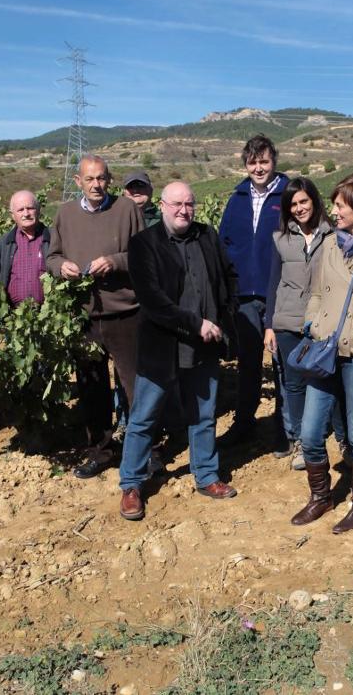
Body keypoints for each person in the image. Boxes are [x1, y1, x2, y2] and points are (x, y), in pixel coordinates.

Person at [118, 181, 240, 520]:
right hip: (163, 346)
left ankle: (207, 475)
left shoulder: (206, 235)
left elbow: (228, 277)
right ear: (162, 205)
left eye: (189, 203)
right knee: (144, 418)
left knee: (203, 415)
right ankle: (131, 483)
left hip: (205, 344)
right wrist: (195, 322)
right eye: (176, 204)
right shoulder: (145, 243)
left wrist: (223, 317)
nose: (184, 210)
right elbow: (153, 301)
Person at [290, 174, 353, 533]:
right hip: (323, 348)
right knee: (311, 433)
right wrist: (312, 323)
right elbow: (315, 292)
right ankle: (321, 497)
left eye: (340, 205)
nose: (333, 210)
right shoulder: (329, 244)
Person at [46, 155, 145, 478]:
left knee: (135, 387)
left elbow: (144, 255)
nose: (96, 185)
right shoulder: (65, 214)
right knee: (92, 390)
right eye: (89, 179)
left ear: (109, 179)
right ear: (78, 182)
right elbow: (52, 257)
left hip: (124, 313)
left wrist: (115, 261)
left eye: (101, 178)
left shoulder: (127, 210)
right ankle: (101, 452)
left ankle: (146, 451)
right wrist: (61, 267)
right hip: (84, 317)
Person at [217, 134, 289, 446]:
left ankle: (285, 430)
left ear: (274, 161)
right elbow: (224, 244)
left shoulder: (289, 195)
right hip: (245, 296)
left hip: (281, 294)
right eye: (252, 162)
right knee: (248, 363)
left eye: (264, 161)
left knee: (282, 364)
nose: (258, 168)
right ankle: (244, 423)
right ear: (245, 164)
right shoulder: (237, 199)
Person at [263, 177, 334, 468]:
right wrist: (269, 324)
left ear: (314, 201)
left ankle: (333, 434)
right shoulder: (280, 239)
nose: (299, 208)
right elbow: (273, 282)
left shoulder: (333, 235)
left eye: (304, 201)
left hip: (321, 320)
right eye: (293, 204)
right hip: (287, 320)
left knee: (325, 379)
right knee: (293, 383)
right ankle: (303, 442)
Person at [0, 190, 50, 305]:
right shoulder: (2, 245)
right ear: (12, 215)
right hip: (13, 317)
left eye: (30, 208)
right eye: (20, 210)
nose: (26, 214)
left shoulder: (53, 239)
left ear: (38, 210)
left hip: (50, 315)